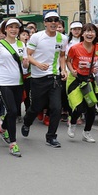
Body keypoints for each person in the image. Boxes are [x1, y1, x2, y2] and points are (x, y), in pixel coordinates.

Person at [22, 11, 68, 148]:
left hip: (54, 77)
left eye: (56, 20)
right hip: (38, 78)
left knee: (56, 108)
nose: (53, 22)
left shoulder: (63, 38)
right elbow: (28, 55)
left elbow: (62, 56)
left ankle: (51, 137)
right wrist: (38, 64)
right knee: (36, 107)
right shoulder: (37, 37)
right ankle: (27, 122)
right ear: (45, 23)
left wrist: (63, 70)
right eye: (50, 20)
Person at [0, 19, 27, 157]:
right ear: (5, 29)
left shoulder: (22, 44)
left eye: (16, 27)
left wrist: (26, 63)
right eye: (11, 27)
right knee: (13, 110)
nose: (14, 30)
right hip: (3, 83)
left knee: (13, 112)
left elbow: (24, 65)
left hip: (19, 82)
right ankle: (13, 144)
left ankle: (2, 128)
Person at [66, 23, 98, 143]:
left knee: (91, 109)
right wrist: (72, 70)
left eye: (92, 31)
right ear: (83, 34)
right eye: (87, 31)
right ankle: (72, 124)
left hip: (89, 81)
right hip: (75, 80)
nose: (89, 33)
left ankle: (87, 133)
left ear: (95, 34)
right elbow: (68, 61)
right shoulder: (75, 48)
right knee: (79, 107)